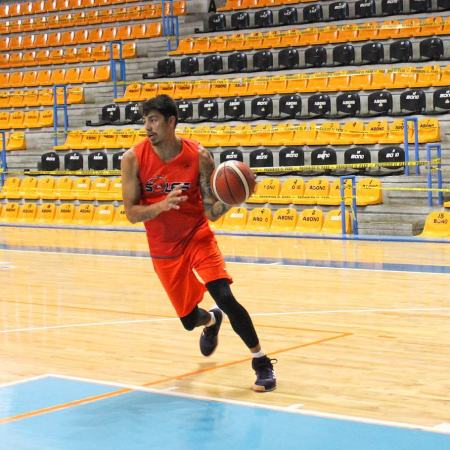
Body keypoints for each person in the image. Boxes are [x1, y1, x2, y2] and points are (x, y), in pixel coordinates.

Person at [121, 94, 276, 392]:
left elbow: (211, 211)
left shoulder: (199, 156)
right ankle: (211, 321)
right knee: (190, 319)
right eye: (145, 121)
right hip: (164, 249)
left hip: (197, 236)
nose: (147, 127)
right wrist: (161, 205)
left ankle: (262, 362)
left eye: (153, 120)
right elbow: (131, 213)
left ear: (171, 122)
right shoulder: (133, 159)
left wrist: (236, 197)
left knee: (225, 296)